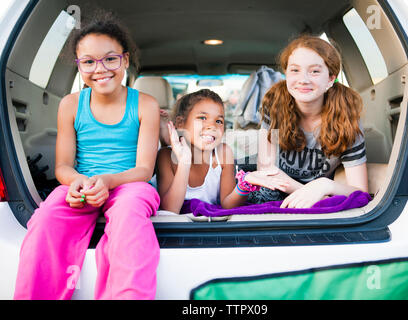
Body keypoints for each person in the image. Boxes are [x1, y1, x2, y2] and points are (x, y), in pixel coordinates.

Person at [14, 13, 161, 300]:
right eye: (89, 61)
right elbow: (63, 166)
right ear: (79, 66)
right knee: (46, 218)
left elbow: (144, 169)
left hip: (129, 184)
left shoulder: (145, 104)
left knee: (129, 215)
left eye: (110, 59)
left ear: (125, 61)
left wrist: (107, 180)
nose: (100, 69)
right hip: (81, 184)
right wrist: (79, 182)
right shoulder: (70, 105)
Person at [250, 34, 368, 208]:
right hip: (276, 191)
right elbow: (266, 172)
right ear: (286, 74)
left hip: (317, 194)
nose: (303, 80)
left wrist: (324, 185)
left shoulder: (347, 120)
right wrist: (304, 190)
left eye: (314, 71)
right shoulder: (274, 105)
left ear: (330, 78)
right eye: (295, 70)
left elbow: (360, 192)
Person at [156, 89, 288, 214]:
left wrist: (245, 184)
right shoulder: (165, 156)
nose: (212, 126)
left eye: (219, 121)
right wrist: (184, 163)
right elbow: (170, 210)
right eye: (202, 118)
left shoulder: (223, 153)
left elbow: (228, 204)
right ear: (180, 123)